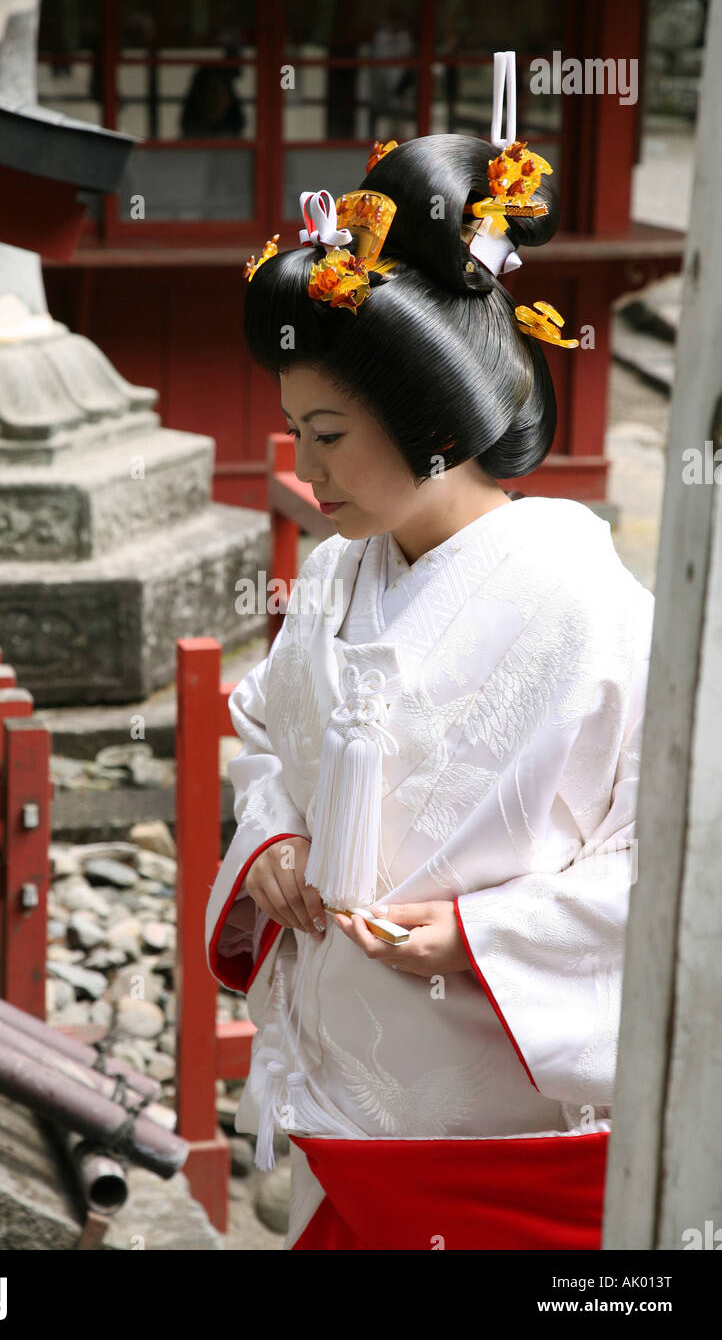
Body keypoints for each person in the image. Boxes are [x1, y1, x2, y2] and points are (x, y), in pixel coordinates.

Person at [205, 132, 654, 1250]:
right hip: (340, 1097)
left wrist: (477, 933)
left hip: (493, 1113)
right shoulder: (329, 578)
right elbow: (266, 741)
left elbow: (665, 863)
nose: (306, 473)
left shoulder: (585, 603)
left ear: (435, 421)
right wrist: (268, 843)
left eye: (327, 436)